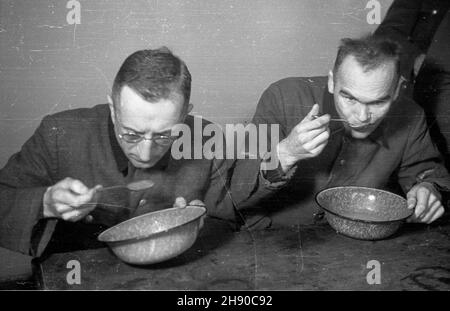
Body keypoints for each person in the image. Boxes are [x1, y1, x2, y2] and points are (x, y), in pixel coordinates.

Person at [0, 47, 236, 257]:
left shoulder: (206, 137)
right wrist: (44, 203)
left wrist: (196, 220)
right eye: (131, 134)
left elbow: (226, 223)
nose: (145, 154)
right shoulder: (58, 133)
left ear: (185, 115)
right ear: (113, 110)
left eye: (164, 136)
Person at [231, 35, 450, 229]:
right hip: (270, 235)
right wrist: (285, 154)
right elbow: (237, 192)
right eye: (349, 98)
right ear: (331, 81)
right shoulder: (282, 97)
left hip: (348, 245)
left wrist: (428, 189)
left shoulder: (411, 116)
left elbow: (428, 173)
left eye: (379, 102)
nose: (362, 116)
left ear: (396, 91)